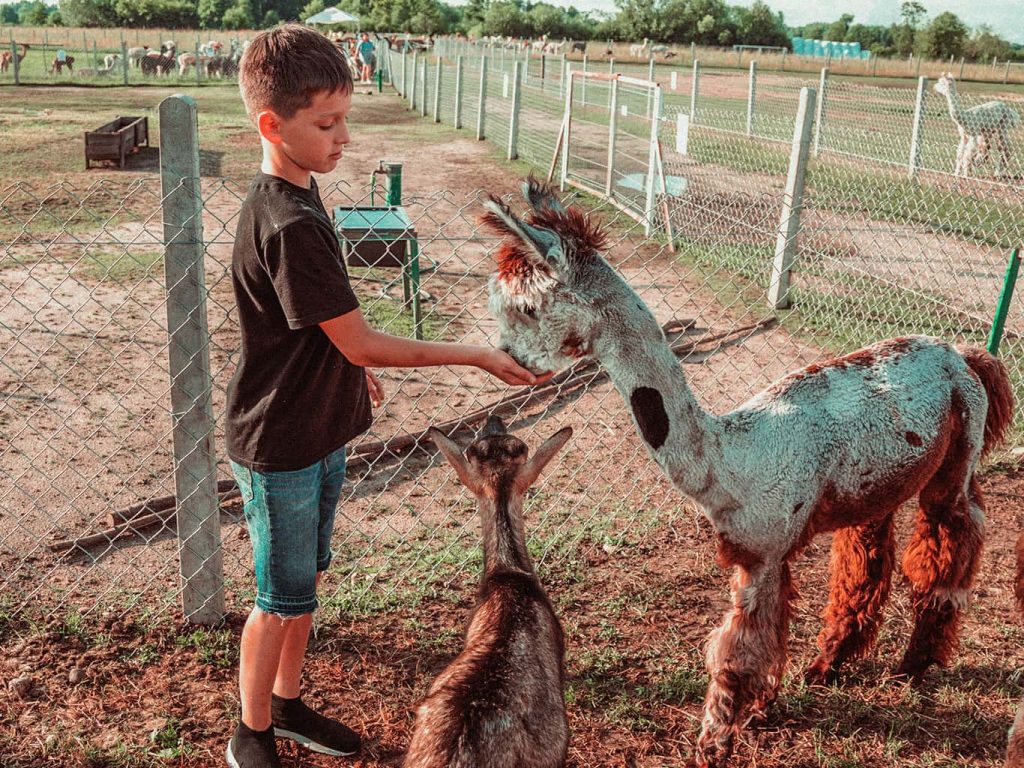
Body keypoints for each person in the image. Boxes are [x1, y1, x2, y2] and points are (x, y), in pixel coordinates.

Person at [227, 23, 547, 768]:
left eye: (345, 118)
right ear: (273, 125)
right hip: (281, 446)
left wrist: (347, 372)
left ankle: (288, 705)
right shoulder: (286, 222)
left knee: (304, 586)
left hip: (318, 428)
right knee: (278, 599)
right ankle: (250, 735)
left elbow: (322, 331)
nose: (344, 137)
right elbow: (362, 338)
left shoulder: (301, 197)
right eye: (327, 123)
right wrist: (473, 355)